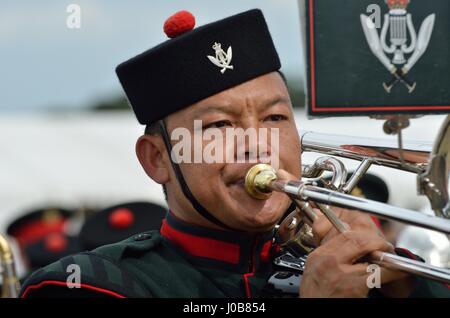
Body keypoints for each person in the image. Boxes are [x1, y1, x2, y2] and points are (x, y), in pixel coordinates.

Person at [19, 9, 449, 298]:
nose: (257, 143)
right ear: (157, 159)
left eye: (276, 119)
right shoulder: (86, 286)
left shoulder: (369, 268)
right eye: (220, 126)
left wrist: (397, 281)